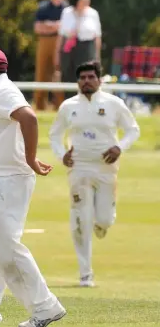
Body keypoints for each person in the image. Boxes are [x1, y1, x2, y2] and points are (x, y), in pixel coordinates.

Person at [0, 46, 67, 327]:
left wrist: (30, 158)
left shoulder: (4, 91)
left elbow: (30, 118)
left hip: (5, 181)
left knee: (7, 248)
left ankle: (45, 306)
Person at [48, 61, 140, 288]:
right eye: (82, 78)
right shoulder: (69, 106)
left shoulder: (113, 103)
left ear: (99, 79)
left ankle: (103, 223)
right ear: (78, 81)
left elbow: (133, 130)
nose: (86, 81)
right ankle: (85, 274)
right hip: (78, 168)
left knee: (104, 219)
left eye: (91, 77)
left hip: (106, 168)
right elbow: (54, 135)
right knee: (81, 219)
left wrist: (120, 147)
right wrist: (62, 156)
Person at [55, 0, 102, 89]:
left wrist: (98, 57)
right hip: (70, 51)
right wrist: (57, 54)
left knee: (87, 78)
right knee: (69, 79)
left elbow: (97, 37)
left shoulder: (93, 14)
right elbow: (61, 35)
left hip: (87, 50)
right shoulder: (67, 12)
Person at [33, 0, 67, 111]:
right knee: (41, 73)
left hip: (61, 42)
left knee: (58, 74)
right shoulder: (43, 7)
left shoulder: (67, 9)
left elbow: (65, 28)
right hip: (44, 41)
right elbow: (37, 28)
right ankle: (39, 106)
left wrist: (48, 25)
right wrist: (56, 25)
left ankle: (59, 106)